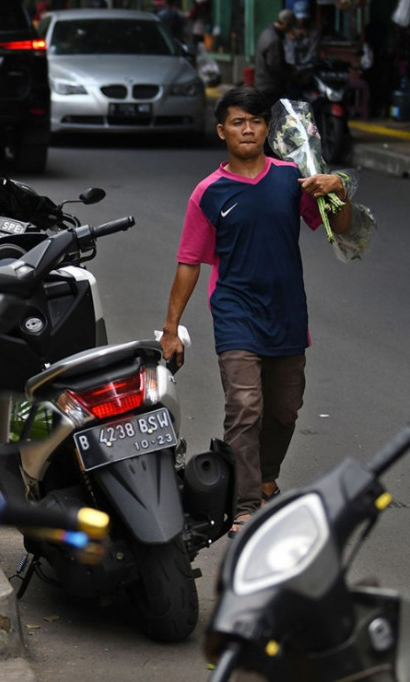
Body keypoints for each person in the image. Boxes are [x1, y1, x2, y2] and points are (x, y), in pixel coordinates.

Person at [158, 86, 352, 538]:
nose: (248, 129)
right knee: (245, 408)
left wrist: (338, 189)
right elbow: (189, 262)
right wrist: (170, 328)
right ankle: (245, 506)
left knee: (284, 411)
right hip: (236, 314)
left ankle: (266, 479)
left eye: (256, 121)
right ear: (222, 130)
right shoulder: (208, 193)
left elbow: (339, 228)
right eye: (238, 122)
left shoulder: (292, 178)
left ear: (267, 129)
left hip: (287, 314)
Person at [255, 9, 298, 103]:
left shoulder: (266, 33)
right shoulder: (274, 40)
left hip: (262, 83)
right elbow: (275, 67)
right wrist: (291, 74)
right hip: (269, 87)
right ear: (286, 25)